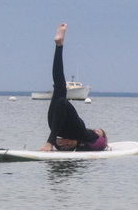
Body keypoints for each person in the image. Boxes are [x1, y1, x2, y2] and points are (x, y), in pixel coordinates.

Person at [38, 23, 108, 152]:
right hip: (59, 124)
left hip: (60, 128)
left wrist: (74, 143)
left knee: (61, 99)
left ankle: (49, 143)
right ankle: (59, 45)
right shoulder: (86, 134)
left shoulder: (98, 140)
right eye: (98, 130)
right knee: (60, 87)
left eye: (100, 132)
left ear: (102, 138)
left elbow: (100, 145)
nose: (97, 130)